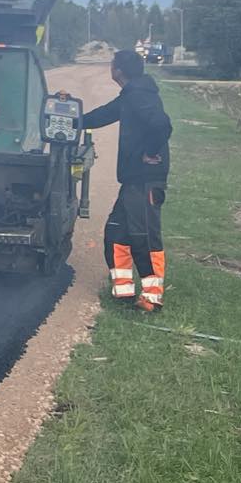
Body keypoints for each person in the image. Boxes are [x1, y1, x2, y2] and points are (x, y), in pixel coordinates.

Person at [82, 48, 173, 310]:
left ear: (118, 70)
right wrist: (70, 120)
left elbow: (161, 125)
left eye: (112, 64)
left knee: (144, 236)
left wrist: (151, 153)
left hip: (145, 180)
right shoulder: (132, 95)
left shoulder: (141, 95)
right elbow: (102, 115)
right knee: (116, 233)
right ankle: (123, 292)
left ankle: (152, 298)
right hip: (133, 180)